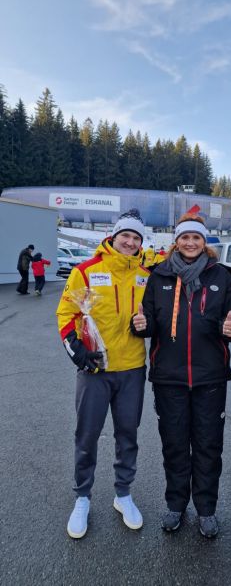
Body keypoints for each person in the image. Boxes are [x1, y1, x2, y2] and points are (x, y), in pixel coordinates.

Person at [131, 214, 231, 538]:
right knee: (175, 445)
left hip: (210, 379)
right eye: (185, 238)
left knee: (209, 447)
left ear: (204, 242)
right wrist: (140, 326)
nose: (191, 243)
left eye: (197, 238)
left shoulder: (221, 277)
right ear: (176, 241)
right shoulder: (160, 276)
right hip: (169, 379)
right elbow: (149, 320)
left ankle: (206, 509)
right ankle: (176, 504)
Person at [56, 209, 149, 539]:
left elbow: (155, 315)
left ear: (141, 243)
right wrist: (78, 353)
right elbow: (66, 314)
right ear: (113, 236)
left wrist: (146, 326)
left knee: (128, 435)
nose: (130, 242)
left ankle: (123, 494)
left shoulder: (146, 274)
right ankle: (82, 497)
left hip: (132, 370)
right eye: (126, 235)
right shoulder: (87, 270)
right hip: (94, 370)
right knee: (87, 435)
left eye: (137, 238)